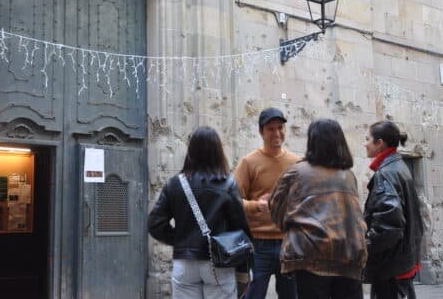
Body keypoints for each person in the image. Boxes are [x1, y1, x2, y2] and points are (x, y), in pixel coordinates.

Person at [268, 118, 368, 299]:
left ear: (312, 141)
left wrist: (293, 227)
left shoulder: (296, 172)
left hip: (310, 255)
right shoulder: (349, 175)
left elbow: (276, 208)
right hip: (348, 255)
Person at [148, 126, 252, 299]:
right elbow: (241, 231)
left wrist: (181, 240)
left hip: (185, 263)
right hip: (219, 264)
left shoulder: (175, 184)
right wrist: (244, 271)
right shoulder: (228, 184)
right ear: (218, 151)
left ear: (191, 151)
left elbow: (154, 224)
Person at [234, 107, 300, 299]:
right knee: (254, 295)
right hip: (258, 245)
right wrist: (256, 206)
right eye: (271, 129)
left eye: (280, 128)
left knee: (291, 296)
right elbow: (232, 201)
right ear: (261, 132)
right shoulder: (249, 162)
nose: (277, 133)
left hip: (289, 244)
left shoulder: (296, 163)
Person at [363, 121, 424, 299]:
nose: (364, 143)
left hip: (391, 266)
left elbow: (389, 224)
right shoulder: (399, 167)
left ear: (379, 143)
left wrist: (365, 247)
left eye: (367, 139)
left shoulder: (386, 173)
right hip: (402, 261)